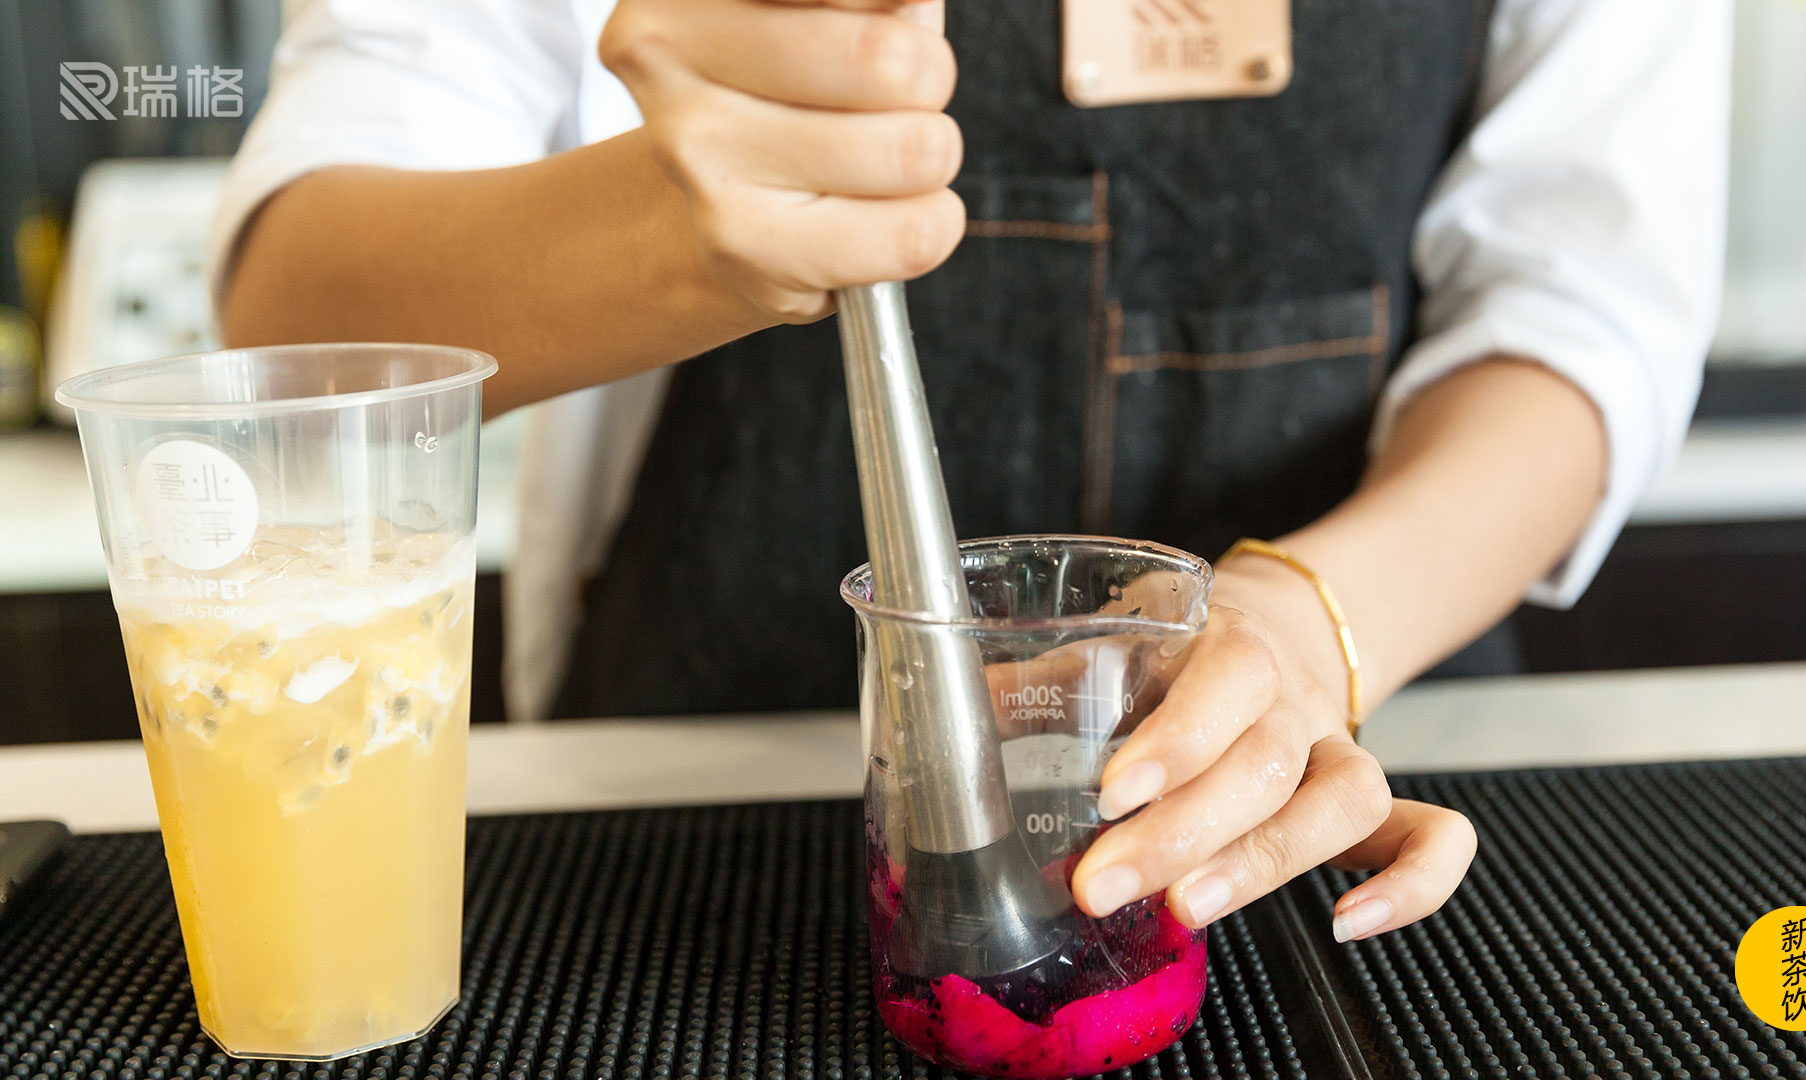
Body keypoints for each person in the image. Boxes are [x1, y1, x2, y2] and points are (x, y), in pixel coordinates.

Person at [211, 0, 1729, 945]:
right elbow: (295, 310)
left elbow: (1580, 316)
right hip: (692, 830)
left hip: (1328, 801)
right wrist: (675, 228)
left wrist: (1306, 633)